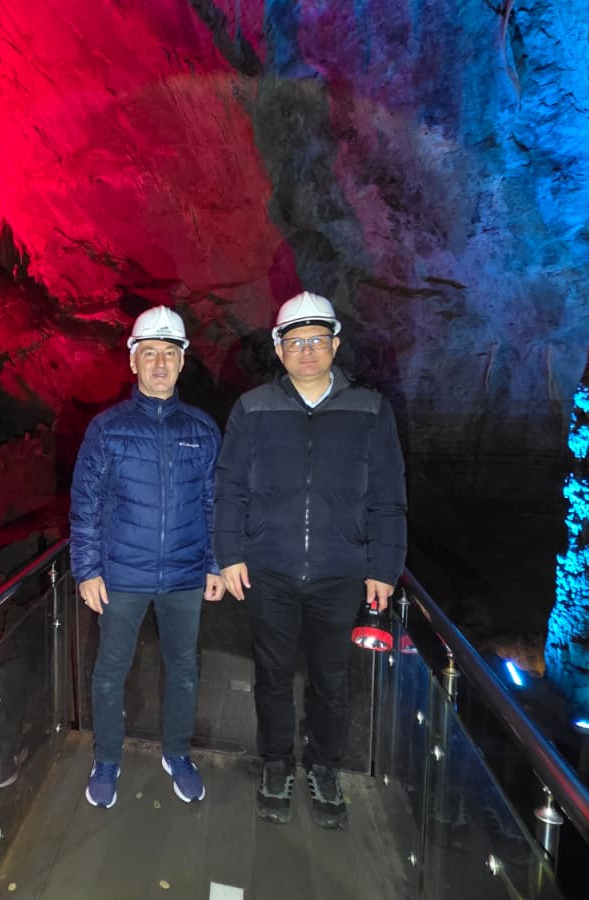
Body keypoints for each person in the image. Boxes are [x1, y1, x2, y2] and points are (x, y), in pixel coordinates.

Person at [213, 291, 407, 829]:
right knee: (272, 676)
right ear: (278, 349)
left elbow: (389, 495)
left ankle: (325, 767)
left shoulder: (369, 410)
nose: (305, 350)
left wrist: (383, 567)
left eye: (316, 340)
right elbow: (229, 488)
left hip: (339, 572)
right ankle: (277, 764)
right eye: (294, 341)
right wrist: (229, 553)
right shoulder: (252, 408)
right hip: (268, 570)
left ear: (335, 345)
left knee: (332, 680)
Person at [70, 306, 226, 808]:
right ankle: (107, 759)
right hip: (122, 574)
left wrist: (215, 562)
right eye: (150, 353)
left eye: (170, 354)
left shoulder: (202, 429)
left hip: (184, 574)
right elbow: (86, 502)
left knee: (183, 668)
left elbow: (213, 502)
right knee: (111, 670)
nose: (160, 363)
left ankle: (177, 753)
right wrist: (87, 568)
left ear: (182, 364)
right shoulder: (107, 429)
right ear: (133, 362)